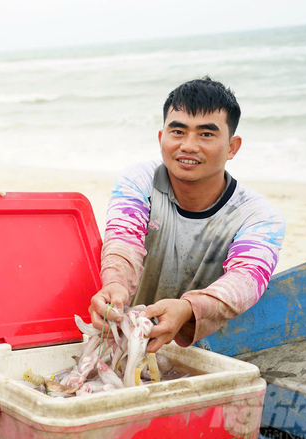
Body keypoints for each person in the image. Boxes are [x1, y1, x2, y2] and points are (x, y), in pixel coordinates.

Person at [89, 77, 285, 353]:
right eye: (178, 132)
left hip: (209, 350)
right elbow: (124, 240)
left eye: (206, 134)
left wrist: (188, 308)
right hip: (130, 336)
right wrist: (115, 284)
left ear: (232, 147)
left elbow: (246, 279)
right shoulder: (140, 180)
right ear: (161, 138)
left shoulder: (259, 216)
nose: (189, 146)